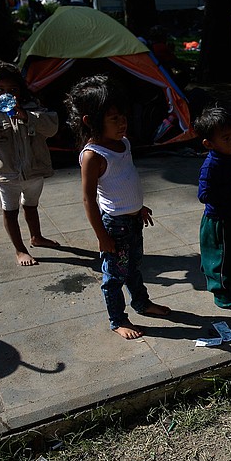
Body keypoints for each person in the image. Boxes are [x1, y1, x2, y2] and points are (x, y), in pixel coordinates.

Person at [66, 75, 170, 339]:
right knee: (114, 277)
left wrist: (139, 207)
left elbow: (125, 179)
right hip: (115, 227)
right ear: (91, 121)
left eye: (122, 116)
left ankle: (142, 303)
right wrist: (102, 236)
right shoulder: (93, 155)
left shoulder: (123, 143)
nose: (122, 122)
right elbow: (89, 199)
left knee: (134, 267)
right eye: (114, 119)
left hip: (133, 220)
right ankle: (118, 320)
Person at [0, 60, 60, 266]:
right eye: (0, 89)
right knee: (10, 211)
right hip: (7, 175)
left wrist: (27, 116)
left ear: (21, 89)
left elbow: (51, 127)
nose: (7, 93)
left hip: (34, 171)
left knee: (32, 205)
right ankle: (20, 250)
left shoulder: (32, 108)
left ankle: (36, 237)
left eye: (13, 89)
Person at [193, 106, 231, 310]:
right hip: (219, 222)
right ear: (208, 144)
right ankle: (223, 295)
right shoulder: (211, 165)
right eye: (226, 138)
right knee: (220, 258)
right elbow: (204, 195)